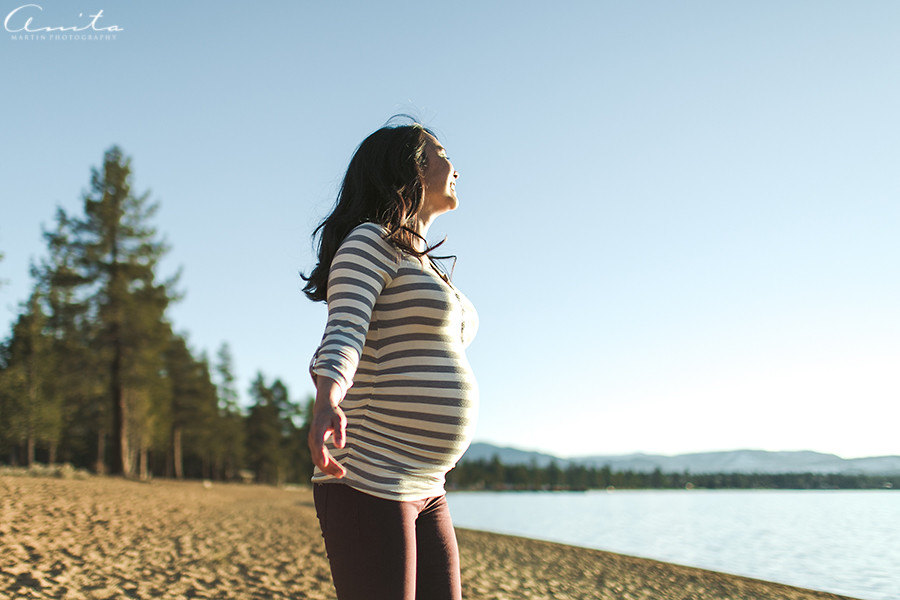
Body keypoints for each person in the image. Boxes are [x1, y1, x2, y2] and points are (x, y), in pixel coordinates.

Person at [302, 120, 479, 600]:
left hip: (429, 483)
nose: (455, 166)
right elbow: (344, 330)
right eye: (441, 153)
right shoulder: (370, 241)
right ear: (411, 168)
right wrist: (326, 402)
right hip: (369, 470)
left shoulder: (425, 265)